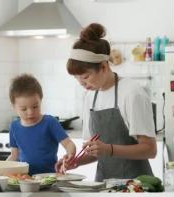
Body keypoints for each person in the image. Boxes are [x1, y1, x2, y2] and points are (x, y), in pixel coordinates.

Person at [61, 23, 156, 181]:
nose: (82, 84)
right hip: (103, 184)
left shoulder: (132, 93)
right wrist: (75, 161)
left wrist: (109, 149)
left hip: (135, 185)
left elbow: (150, 150)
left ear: (104, 67)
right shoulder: (90, 97)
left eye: (85, 77)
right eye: (77, 79)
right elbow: (97, 152)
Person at [7, 74, 76, 175]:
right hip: (25, 179)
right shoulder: (14, 126)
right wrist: (1, 171)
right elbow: (14, 155)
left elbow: (68, 144)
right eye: (24, 109)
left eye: (35, 107)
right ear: (14, 106)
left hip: (50, 177)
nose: (30, 112)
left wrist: (70, 154)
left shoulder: (50, 122)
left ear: (41, 100)